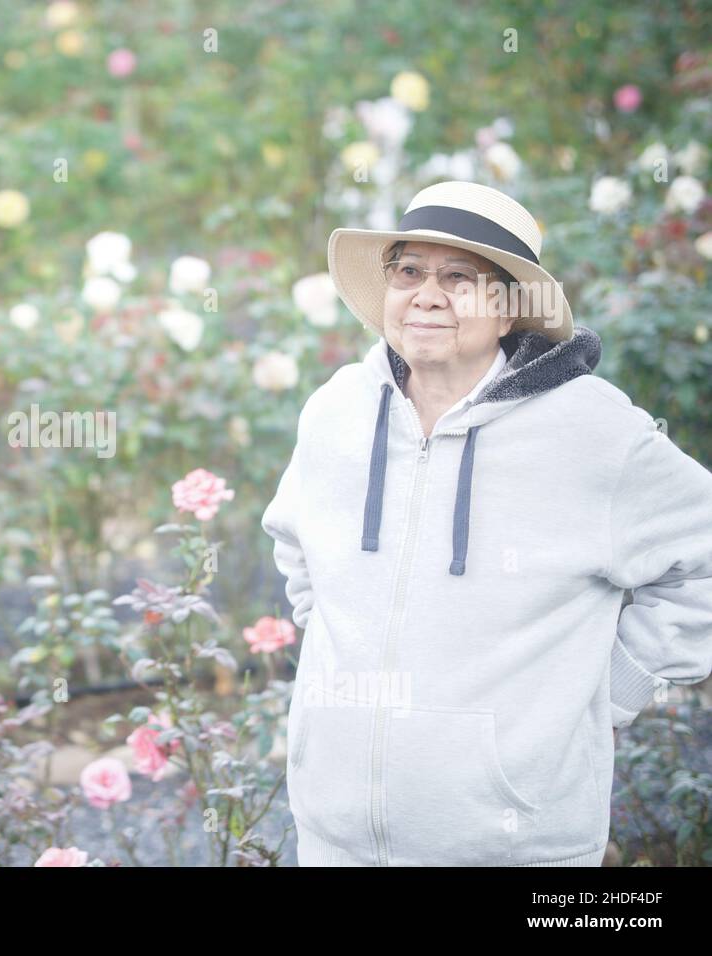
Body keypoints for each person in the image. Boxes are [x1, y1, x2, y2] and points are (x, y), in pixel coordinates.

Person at [260, 180, 712, 866]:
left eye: (459, 277)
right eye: (409, 271)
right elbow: (297, 547)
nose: (428, 294)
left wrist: (613, 684)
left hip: (515, 845)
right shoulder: (337, 410)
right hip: (335, 839)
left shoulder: (591, 432)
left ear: (509, 308)